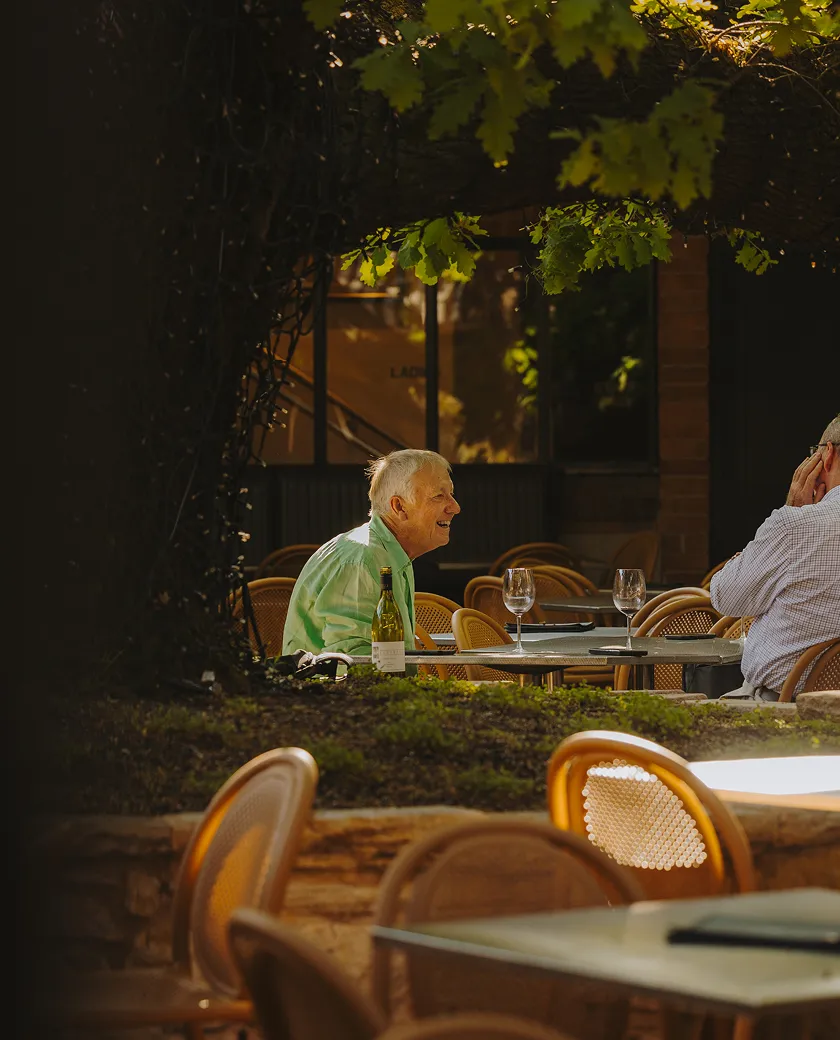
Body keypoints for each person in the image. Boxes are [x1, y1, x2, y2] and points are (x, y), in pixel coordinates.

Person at [710, 415, 840, 701]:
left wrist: (792, 510)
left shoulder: (795, 525)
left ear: (827, 454)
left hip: (782, 710)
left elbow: (724, 597)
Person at [282, 449, 460, 656]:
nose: (455, 507)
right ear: (399, 507)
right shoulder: (364, 558)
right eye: (439, 496)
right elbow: (353, 663)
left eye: (451, 494)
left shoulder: (387, 553)